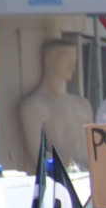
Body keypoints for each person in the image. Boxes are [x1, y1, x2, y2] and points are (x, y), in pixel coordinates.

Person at [19, 39, 94, 170]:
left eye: (74, 61)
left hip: (91, 178)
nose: (73, 67)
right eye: (67, 60)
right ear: (50, 60)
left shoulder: (83, 104)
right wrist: (69, 165)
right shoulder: (33, 106)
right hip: (60, 181)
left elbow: (95, 148)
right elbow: (38, 157)